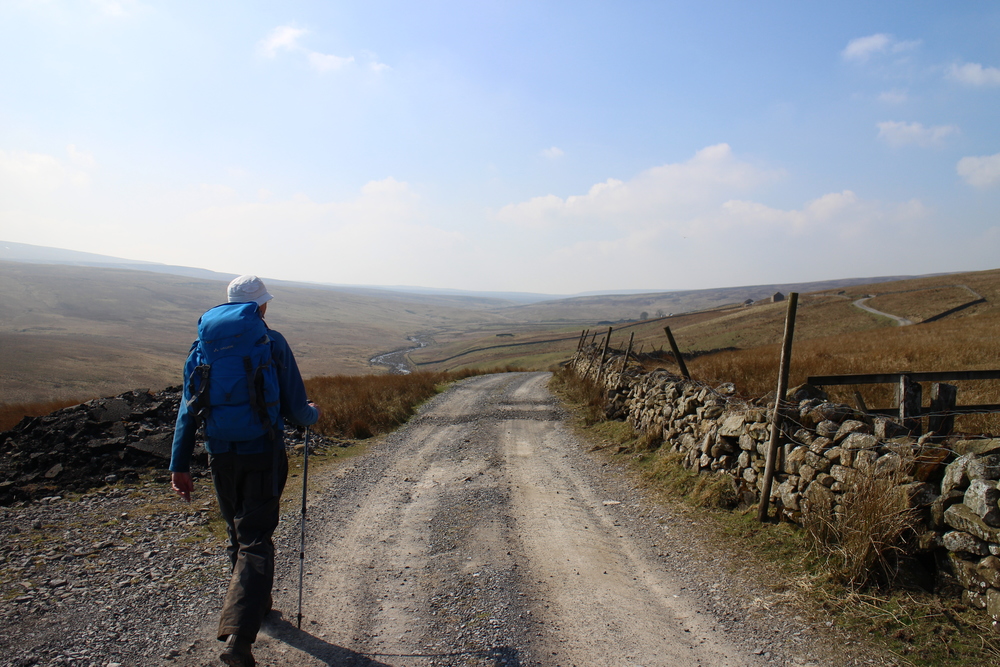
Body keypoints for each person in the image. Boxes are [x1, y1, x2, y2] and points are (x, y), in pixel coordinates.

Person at [169, 275, 320, 667]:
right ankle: (239, 640)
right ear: (260, 306)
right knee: (256, 536)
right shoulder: (271, 341)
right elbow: (295, 407)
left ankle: (256, 605)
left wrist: (179, 464)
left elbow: (188, 408)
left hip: (219, 453)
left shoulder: (201, 347)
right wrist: (313, 415)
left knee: (238, 530)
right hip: (263, 451)